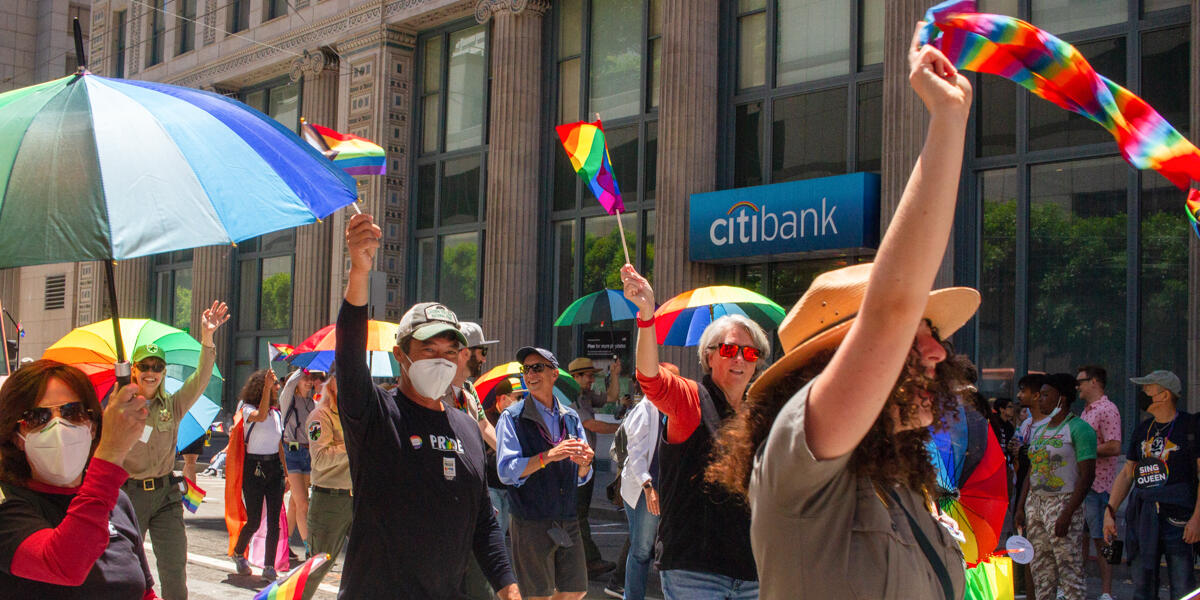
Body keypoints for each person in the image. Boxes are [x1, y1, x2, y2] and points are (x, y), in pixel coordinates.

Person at [697, 29, 977, 599]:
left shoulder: (901, 483)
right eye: (916, 335)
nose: (937, 351)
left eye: (934, 334)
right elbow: (890, 313)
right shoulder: (798, 468)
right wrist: (947, 123)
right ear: (832, 363)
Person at [337, 212, 518, 599]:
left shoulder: (467, 426)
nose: (442, 360)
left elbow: (484, 521)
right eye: (429, 349)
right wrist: (359, 273)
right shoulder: (376, 415)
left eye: (451, 351)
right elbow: (350, 359)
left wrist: (508, 587)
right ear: (401, 355)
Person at [621, 266, 770, 598]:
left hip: (753, 572)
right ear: (709, 356)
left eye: (751, 353)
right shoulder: (690, 398)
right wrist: (647, 316)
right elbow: (650, 378)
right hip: (696, 572)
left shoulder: (760, 414)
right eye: (730, 349)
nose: (741, 359)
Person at [0, 361, 156, 598]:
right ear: (16, 437)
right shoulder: (9, 509)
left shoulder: (117, 502)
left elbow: (144, 592)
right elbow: (65, 565)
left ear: (93, 426)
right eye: (38, 418)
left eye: (73, 413)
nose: (58, 427)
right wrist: (111, 452)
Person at [122, 300, 228, 600]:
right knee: (126, 569)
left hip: (167, 495)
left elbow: (200, 380)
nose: (151, 372)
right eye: (145, 366)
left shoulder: (173, 405)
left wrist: (207, 339)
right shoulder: (120, 408)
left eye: (157, 367)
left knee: (174, 569)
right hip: (130, 496)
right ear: (134, 370)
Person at [496, 346, 595, 600]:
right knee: (538, 595)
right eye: (526, 369)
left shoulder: (570, 418)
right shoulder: (512, 417)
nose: (530, 374)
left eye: (537, 368)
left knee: (576, 589)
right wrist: (548, 456)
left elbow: (583, 476)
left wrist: (584, 464)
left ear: (554, 374)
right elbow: (506, 471)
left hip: (566, 516)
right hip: (530, 520)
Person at [1104, 370, 1198, 600]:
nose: (1143, 393)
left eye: (1147, 389)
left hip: (1180, 519)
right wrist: (1110, 511)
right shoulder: (1142, 429)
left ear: (1164, 395)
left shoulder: (1191, 426)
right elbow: (1128, 473)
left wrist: (1197, 518)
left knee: (1182, 586)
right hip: (1144, 518)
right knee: (1143, 586)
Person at [1015, 373, 1096, 600]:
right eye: (1040, 394)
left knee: (1069, 569)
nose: (1040, 399)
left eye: (1046, 395)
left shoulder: (1079, 429)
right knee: (1041, 570)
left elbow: (1087, 475)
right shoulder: (1040, 430)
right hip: (1036, 503)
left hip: (1063, 501)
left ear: (1061, 398)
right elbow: (1033, 470)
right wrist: (1021, 506)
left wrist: (1068, 512)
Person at [230, 369, 288, 581]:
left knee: (274, 521)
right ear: (262, 387)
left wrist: (287, 473)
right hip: (253, 468)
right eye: (274, 385)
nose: (277, 388)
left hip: (274, 468)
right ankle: (238, 552)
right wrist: (266, 386)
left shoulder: (277, 413)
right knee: (254, 520)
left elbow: (279, 444)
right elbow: (260, 416)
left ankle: (269, 566)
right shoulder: (245, 409)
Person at [566, 356, 620, 577]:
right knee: (578, 514)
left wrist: (615, 374)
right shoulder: (571, 399)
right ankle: (589, 561)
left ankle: (573, 561)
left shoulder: (585, 396)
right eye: (588, 375)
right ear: (576, 377)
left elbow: (611, 396)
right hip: (575, 463)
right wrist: (623, 429)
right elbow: (591, 424)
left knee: (578, 513)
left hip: (586, 461)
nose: (591, 380)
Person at [303, 371, 351, 600]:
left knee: (373, 558)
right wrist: (352, 447)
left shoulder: (353, 416)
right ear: (331, 385)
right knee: (317, 566)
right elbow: (320, 459)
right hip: (330, 500)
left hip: (357, 499)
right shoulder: (319, 416)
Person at [616, 372, 664, 600]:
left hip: (664, 488)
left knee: (662, 547)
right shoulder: (645, 409)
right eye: (669, 380)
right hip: (644, 489)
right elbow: (635, 454)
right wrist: (648, 487)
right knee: (642, 549)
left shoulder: (670, 407)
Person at [1076, 365, 1121, 600]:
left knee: (1101, 538)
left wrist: (1085, 450)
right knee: (1080, 537)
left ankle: (1106, 593)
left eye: (1081, 381)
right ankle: (1078, 586)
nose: (1078, 386)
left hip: (1099, 485)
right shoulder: (1086, 411)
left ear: (1094, 382)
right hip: (1083, 484)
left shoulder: (1107, 409)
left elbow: (1115, 445)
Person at [279, 368, 322, 561]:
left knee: (296, 503)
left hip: (308, 453)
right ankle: (309, 549)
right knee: (303, 503)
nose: (309, 381)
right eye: (306, 378)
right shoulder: (288, 399)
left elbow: (315, 433)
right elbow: (288, 385)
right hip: (291, 453)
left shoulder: (313, 403)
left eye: (311, 379)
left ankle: (283, 544)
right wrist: (304, 365)